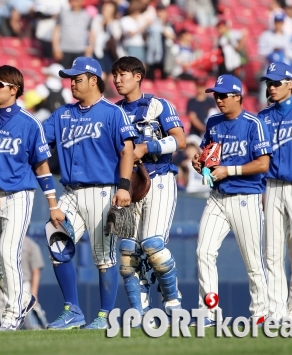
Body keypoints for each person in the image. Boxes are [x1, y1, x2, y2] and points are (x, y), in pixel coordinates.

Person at [42, 57, 137, 330]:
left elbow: (126, 150)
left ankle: (104, 316)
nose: (72, 83)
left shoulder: (111, 112)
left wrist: (124, 186)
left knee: (103, 257)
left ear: (93, 80)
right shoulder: (62, 115)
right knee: (56, 241)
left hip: (103, 191)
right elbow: (37, 140)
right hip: (70, 191)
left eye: (77, 78)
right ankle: (72, 310)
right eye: (70, 78)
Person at [0, 65, 61, 330]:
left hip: (18, 196)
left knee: (8, 253)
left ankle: (13, 315)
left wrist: (52, 204)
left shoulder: (29, 123)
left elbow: (42, 167)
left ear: (14, 90)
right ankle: (23, 298)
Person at [189, 74, 271, 326]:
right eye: (216, 94)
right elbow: (207, 156)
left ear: (238, 97)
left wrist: (229, 170)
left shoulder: (252, 123)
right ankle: (209, 311)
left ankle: (260, 314)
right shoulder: (213, 121)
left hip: (245, 197)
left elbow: (263, 163)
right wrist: (199, 163)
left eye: (224, 95)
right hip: (218, 196)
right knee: (203, 251)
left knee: (253, 260)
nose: (219, 99)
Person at [112, 56, 185, 321]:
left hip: (160, 177)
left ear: (138, 76)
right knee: (127, 254)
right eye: (115, 76)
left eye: (123, 75)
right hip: (128, 186)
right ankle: (139, 313)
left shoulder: (158, 105)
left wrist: (148, 147)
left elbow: (180, 140)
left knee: (153, 246)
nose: (117, 80)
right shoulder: (114, 111)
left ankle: (173, 303)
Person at [258, 62, 292, 324]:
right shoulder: (263, 117)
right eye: (269, 82)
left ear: (290, 84)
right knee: (272, 253)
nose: (271, 87)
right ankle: (277, 314)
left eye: (277, 82)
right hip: (272, 188)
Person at [0, 236, 48, 330]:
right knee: (1, 312)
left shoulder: (31, 245)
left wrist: (34, 294)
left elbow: (36, 272)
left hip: (24, 283)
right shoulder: (2, 243)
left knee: (31, 317)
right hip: (4, 282)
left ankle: (37, 325)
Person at [52, 0, 94, 69]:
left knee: (78, 75)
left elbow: (91, 32)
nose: (74, 3)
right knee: (62, 73)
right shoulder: (63, 14)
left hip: (80, 51)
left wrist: (90, 46)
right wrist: (56, 48)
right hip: (64, 50)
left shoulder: (87, 16)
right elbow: (56, 31)